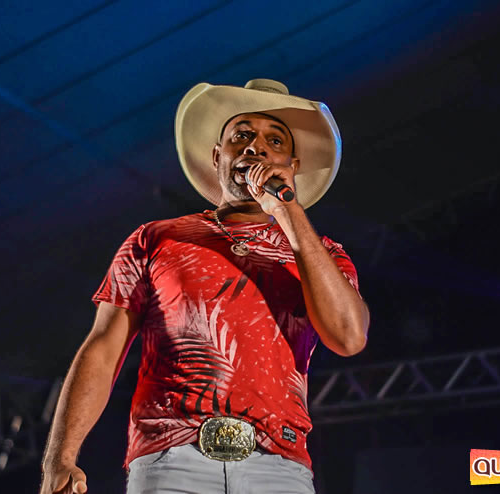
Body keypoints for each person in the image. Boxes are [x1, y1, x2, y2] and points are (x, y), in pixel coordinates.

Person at [39, 79, 370, 494]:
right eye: (241, 136)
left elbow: (349, 336)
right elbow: (103, 347)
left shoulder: (323, 255)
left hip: (279, 467)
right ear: (218, 156)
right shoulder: (156, 239)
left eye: (274, 141)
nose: (256, 147)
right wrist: (60, 458)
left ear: (292, 164)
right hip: (171, 460)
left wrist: (288, 210)